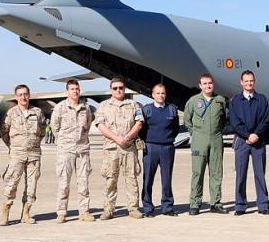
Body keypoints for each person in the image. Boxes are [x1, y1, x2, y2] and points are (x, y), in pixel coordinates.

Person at [94, 78, 145, 220]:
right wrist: (116, 138)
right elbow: (100, 125)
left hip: (129, 148)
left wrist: (127, 137)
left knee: (131, 178)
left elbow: (139, 123)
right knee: (111, 180)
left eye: (121, 88)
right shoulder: (104, 106)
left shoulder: (133, 104)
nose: (118, 90)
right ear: (111, 90)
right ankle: (108, 209)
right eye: (115, 88)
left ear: (124, 89)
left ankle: (134, 208)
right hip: (111, 149)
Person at [0, 84, 46, 224]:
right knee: (11, 184)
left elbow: (42, 132)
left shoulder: (37, 112)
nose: (23, 97)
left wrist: (33, 143)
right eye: (20, 95)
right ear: (16, 97)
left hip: (34, 154)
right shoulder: (11, 113)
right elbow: (4, 132)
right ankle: (5, 213)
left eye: (25, 94)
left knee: (32, 185)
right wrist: (14, 146)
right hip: (17, 154)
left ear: (29, 95)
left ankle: (26, 213)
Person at [50, 79, 95, 223]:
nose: (75, 91)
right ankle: (61, 212)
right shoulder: (60, 108)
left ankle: (84, 211)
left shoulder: (85, 108)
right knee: (64, 182)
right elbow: (55, 127)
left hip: (82, 149)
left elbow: (87, 125)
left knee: (83, 182)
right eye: (72, 89)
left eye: (77, 89)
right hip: (66, 150)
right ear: (67, 91)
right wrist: (65, 141)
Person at [184, 74, 228, 215]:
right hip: (199, 139)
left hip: (216, 138)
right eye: (205, 83)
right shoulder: (193, 100)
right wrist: (196, 133)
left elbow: (224, 119)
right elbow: (187, 120)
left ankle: (215, 203)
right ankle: (195, 204)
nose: (208, 86)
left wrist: (217, 132)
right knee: (198, 172)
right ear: (200, 85)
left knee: (216, 172)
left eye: (210, 83)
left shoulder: (220, 100)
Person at [228, 70, 269, 215]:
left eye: (251, 81)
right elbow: (234, 122)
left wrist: (256, 134)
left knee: (260, 174)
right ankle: (240, 205)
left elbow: (265, 120)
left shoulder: (262, 100)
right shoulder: (235, 101)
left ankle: (263, 205)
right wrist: (247, 135)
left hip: (258, 141)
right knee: (241, 174)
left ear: (255, 81)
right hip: (242, 141)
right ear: (241, 82)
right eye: (246, 81)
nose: (249, 83)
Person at [141, 84, 180, 217]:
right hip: (150, 147)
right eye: (158, 93)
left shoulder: (172, 110)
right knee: (148, 179)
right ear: (153, 95)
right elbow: (142, 130)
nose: (160, 96)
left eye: (162, 93)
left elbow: (175, 129)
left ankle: (167, 207)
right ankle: (147, 207)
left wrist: (167, 139)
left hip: (167, 147)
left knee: (167, 179)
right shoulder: (147, 110)